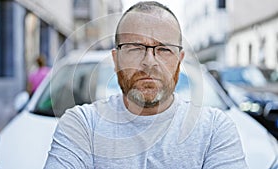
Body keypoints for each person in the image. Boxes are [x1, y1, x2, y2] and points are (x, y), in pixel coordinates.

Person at [44, 1, 248, 168]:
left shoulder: (214, 129)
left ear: (179, 60)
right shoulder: (82, 125)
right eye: (135, 48)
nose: (149, 61)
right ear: (116, 60)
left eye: (164, 49)